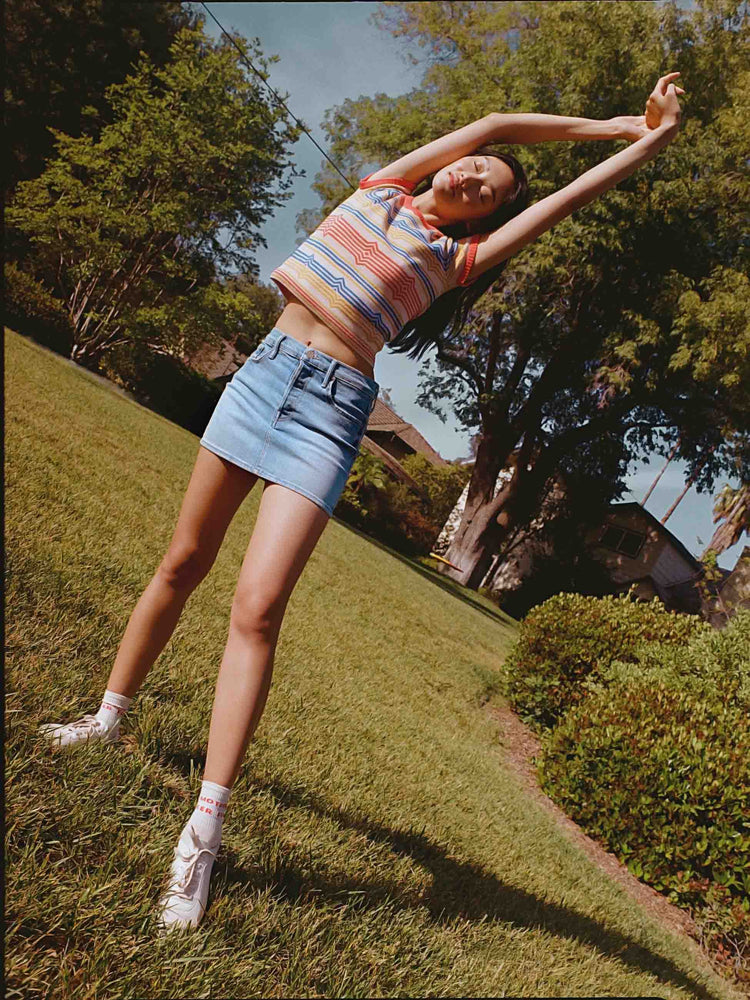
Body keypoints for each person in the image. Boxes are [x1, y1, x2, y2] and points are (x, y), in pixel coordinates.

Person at [39, 73, 684, 932]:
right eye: (477, 166)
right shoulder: (380, 187)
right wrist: (613, 121)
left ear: (479, 219)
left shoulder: (457, 260)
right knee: (183, 560)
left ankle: (204, 830)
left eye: (487, 190)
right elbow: (495, 121)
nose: (475, 177)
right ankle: (108, 716)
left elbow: (566, 198)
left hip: (331, 411)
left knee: (259, 607)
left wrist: (650, 145)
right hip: (258, 379)